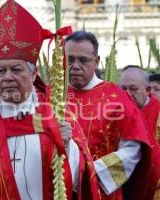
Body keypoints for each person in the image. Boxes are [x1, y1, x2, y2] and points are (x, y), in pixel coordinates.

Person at [0, 1, 85, 199]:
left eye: (16, 69)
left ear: (34, 73)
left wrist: (67, 144)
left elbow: (79, 180)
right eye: (1, 71)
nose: (8, 77)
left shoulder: (56, 109)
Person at [65, 31, 153, 200]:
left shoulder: (116, 97)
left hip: (100, 188)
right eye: (70, 60)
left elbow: (132, 149)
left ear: (97, 61)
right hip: (59, 188)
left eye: (83, 60)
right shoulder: (51, 95)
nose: (75, 66)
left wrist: (91, 173)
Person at [119, 65, 160, 199]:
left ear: (148, 90)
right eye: (123, 89)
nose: (128, 94)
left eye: (134, 89)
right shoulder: (114, 114)